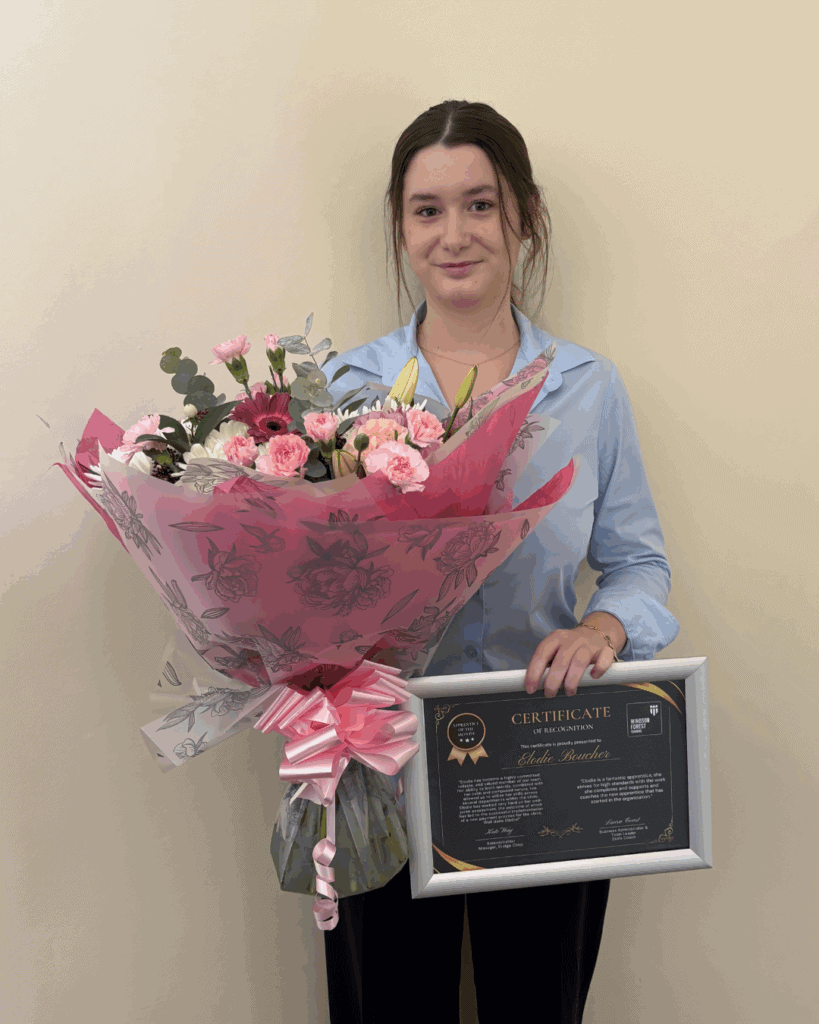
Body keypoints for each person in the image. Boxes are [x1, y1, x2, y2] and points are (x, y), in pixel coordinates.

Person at [318, 100, 679, 1024]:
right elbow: (309, 579)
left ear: (523, 216)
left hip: (546, 753)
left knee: (538, 1004)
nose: (454, 233)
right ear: (400, 229)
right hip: (382, 766)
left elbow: (637, 563)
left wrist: (605, 626)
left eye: (479, 205)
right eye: (426, 209)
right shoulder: (342, 394)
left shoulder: (588, 390)